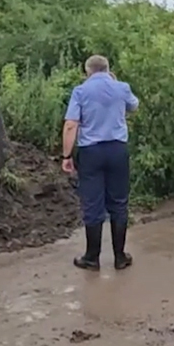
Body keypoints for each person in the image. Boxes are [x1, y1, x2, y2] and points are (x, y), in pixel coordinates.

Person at [61, 55, 139, 271]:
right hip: (117, 149)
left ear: (88, 71)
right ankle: (120, 257)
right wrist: (115, 84)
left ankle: (92, 257)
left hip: (91, 152)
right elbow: (134, 106)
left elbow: (70, 125)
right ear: (107, 69)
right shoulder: (121, 87)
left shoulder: (80, 91)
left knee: (93, 203)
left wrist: (67, 156)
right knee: (119, 202)